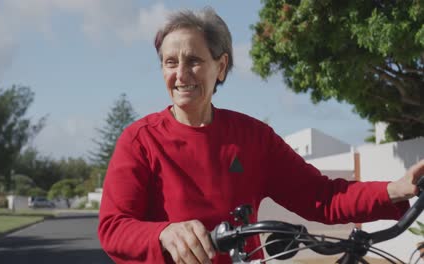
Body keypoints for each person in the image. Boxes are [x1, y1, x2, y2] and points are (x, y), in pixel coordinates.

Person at [98, 7, 424, 264]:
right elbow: (113, 227)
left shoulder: (252, 137)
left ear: (221, 66)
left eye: (194, 61)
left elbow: (321, 197)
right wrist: (164, 234)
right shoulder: (140, 140)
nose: (180, 75)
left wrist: (395, 190)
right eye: (170, 63)